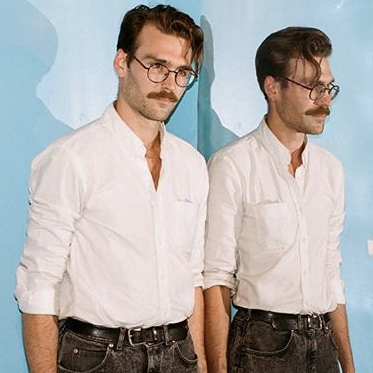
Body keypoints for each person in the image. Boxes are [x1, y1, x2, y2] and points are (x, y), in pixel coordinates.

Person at [15, 5, 208, 373]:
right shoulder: (70, 159)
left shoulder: (192, 166)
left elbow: (193, 278)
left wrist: (197, 364)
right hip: (98, 356)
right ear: (122, 62)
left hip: (179, 352)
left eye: (182, 72)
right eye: (156, 66)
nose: (169, 84)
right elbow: (39, 286)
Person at [204, 27, 355, 373]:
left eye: (327, 87)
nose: (324, 99)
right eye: (312, 87)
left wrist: (348, 364)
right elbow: (216, 278)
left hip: (324, 341)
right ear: (273, 87)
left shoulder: (331, 170)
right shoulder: (232, 165)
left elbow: (331, 271)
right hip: (261, 346)